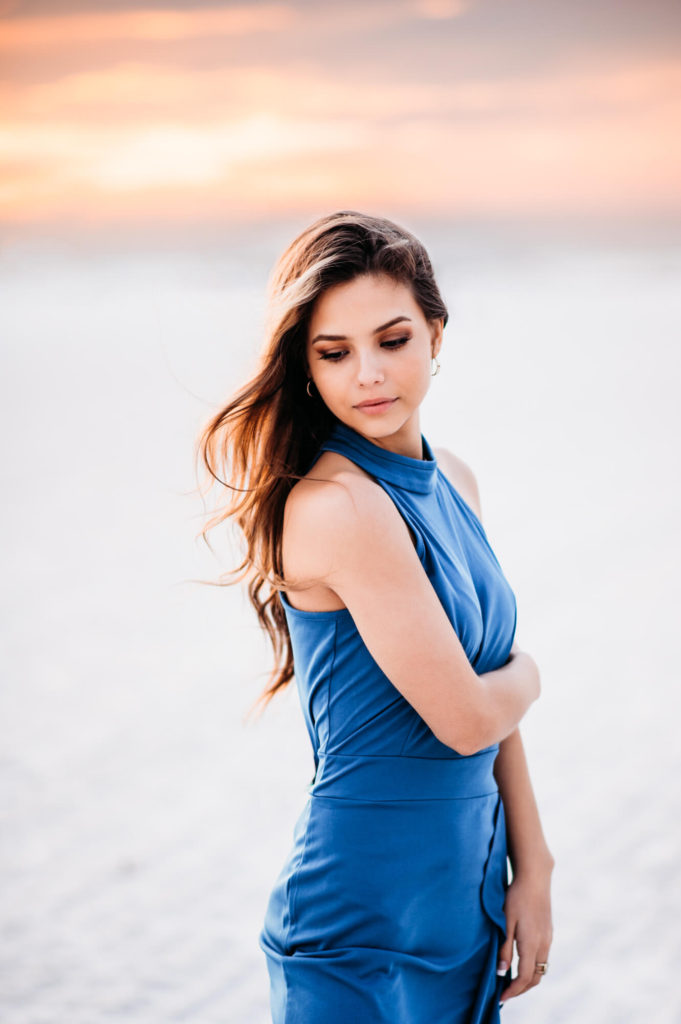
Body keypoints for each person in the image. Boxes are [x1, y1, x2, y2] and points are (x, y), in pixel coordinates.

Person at [196, 210, 554, 1023]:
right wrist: (531, 675)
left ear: (434, 332)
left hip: (464, 899)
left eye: (392, 340)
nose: (368, 375)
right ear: (307, 367)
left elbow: (482, 679)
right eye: (334, 353)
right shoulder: (337, 506)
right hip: (361, 918)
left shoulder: (454, 477)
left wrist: (533, 868)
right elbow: (469, 714)